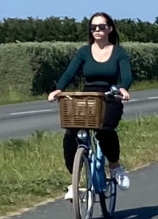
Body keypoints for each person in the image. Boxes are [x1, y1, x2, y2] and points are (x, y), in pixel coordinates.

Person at [48, 11, 132, 194]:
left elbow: (126, 75)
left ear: (109, 29)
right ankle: (74, 181)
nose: (97, 30)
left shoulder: (119, 52)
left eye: (101, 27)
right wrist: (59, 89)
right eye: (93, 27)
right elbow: (70, 72)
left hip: (110, 95)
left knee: (105, 129)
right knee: (71, 132)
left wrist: (123, 88)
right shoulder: (84, 52)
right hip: (89, 96)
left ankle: (115, 167)